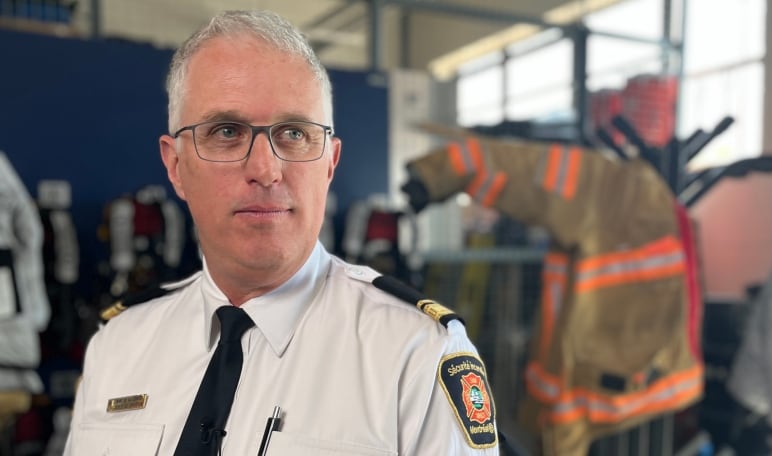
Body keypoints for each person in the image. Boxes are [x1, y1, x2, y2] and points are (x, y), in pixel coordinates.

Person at [64, 9, 499, 455]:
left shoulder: (417, 356)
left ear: (329, 163)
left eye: (294, 133)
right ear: (176, 166)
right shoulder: (117, 347)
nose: (266, 170)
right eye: (227, 132)